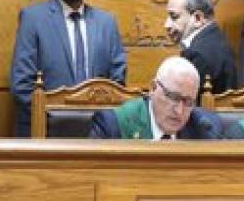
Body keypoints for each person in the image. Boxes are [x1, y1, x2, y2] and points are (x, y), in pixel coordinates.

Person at [9, 0, 126, 136]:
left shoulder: (107, 23)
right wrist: (63, 121)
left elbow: (117, 84)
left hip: (97, 137)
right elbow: (21, 86)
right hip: (45, 135)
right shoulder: (33, 19)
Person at [88, 56, 221, 139]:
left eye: (188, 102)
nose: (179, 111)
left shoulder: (206, 128)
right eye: (173, 97)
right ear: (153, 88)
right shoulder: (112, 125)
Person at [164, 0, 236, 98]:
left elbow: (185, 104)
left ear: (198, 18)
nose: (167, 25)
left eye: (174, 16)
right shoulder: (216, 40)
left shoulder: (198, 55)